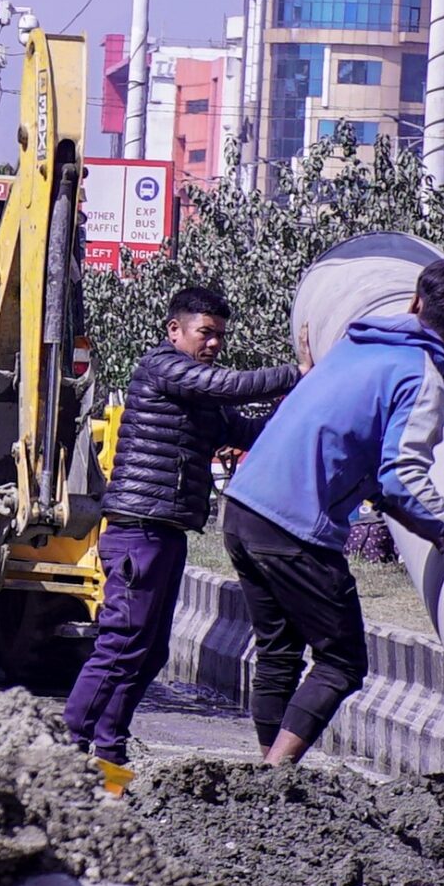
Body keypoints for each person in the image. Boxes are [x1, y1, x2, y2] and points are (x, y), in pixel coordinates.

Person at [221, 258, 444, 767]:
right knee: (341, 662)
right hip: (294, 528)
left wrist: (432, 516)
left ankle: (261, 783)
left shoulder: (354, 346)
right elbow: (400, 478)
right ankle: (273, 775)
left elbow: (377, 476)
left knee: (279, 651)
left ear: (415, 302)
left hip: (242, 508)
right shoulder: (421, 379)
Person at [64, 287, 303, 767]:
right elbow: (231, 386)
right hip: (138, 532)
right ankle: (66, 753)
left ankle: (110, 763)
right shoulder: (162, 368)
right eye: (205, 333)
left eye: (220, 337)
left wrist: (306, 403)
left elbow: (252, 432)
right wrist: (299, 374)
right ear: (175, 330)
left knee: (147, 654)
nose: (214, 344)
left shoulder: (199, 399)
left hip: (166, 533)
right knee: (121, 646)